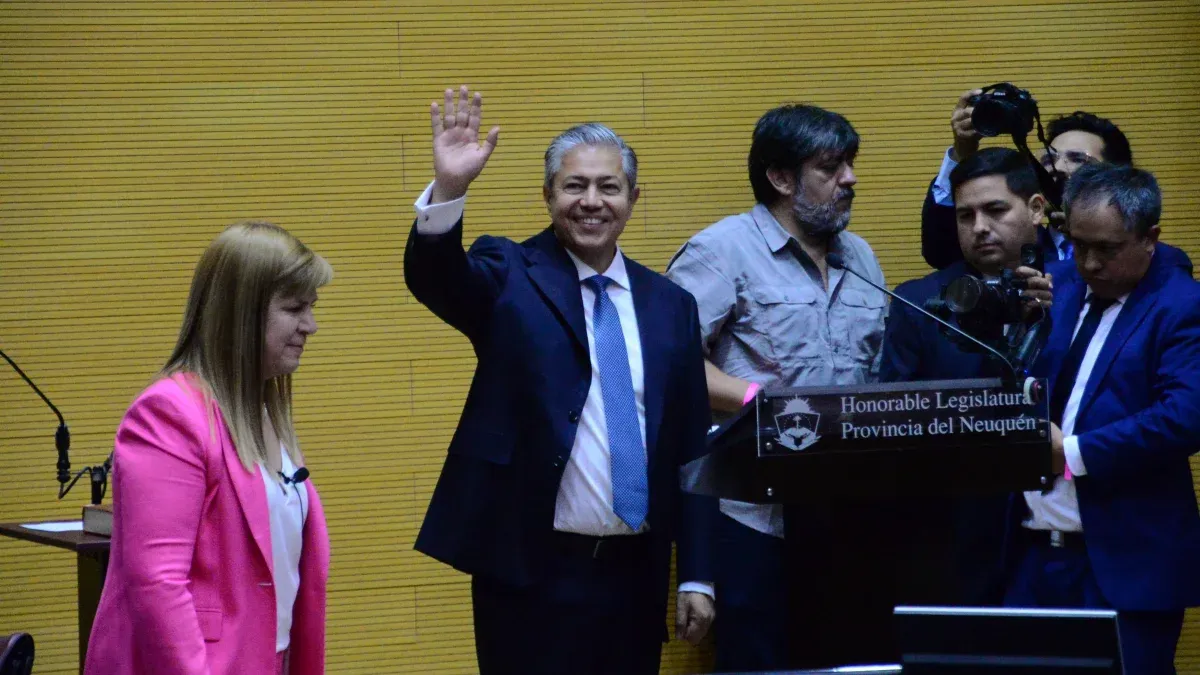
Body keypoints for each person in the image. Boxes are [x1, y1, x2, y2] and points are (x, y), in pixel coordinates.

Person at [404, 86, 715, 675]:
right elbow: (438, 279)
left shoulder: (671, 304)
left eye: (608, 186)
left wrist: (697, 571)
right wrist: (449, 190)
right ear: (548, 196)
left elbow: (692, 449)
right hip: (529, 571)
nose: (591, 201)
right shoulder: (508, 274)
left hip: (634, 576)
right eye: (574, 186)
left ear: (633, 198)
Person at [665, 103, 889, 670]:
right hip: (753, 513)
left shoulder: (859, 256)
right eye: (832, 167)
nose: (850, 180)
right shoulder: (721, 251)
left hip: (847, 508)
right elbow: (672, 364)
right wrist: (761, 404)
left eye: (850, 164)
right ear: (782, 178)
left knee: (843, 661)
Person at [85, 221, 333, 675]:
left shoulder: (265, 413)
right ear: (242, 313)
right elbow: (158, 586)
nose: (310, 326)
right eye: (295, 308)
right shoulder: (168, 414)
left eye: (311, 308)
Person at [1012, 163, 1200, 674]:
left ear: (1150, 238)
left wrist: (1069, 453)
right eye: (1077, 244)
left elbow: (1185, 416)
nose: (1089, 263)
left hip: (1125, 564)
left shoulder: (1182, 304)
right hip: (1031, 556)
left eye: (1107, 249)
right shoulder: (1061, 283)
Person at [880, 147, 1054, 607]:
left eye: (995, 210)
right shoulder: (920, 301)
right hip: (951, 533)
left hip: (1060, 530)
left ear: (1036, 209)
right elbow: (893, 415)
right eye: (964, 215)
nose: (979, 227)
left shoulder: (1075, 292)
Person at [922, 89, 1134, 270]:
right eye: (1049, 158)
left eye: (1077, 159)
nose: (1057, 167)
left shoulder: (1136, 249)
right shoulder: (1014, 248)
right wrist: (962, 153)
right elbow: (940, 252)